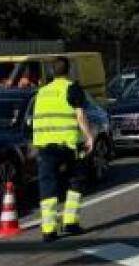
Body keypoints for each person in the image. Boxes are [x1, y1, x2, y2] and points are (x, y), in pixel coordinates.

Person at [32, 56, 94, 243]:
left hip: (44, 146)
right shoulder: (72, 88)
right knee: (76, 180)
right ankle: (70, 222)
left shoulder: (42, 92)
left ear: (52, 72)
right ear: (69, 71)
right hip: (68, 144)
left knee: (48, 185)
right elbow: (80, 114)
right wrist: (89, 136)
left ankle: (49, 229)